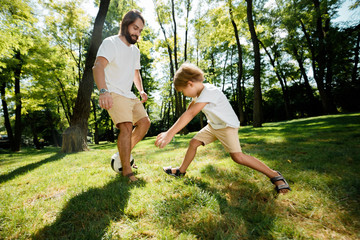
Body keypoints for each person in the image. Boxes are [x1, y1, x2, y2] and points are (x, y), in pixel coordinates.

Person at [155, 63, 291, 194]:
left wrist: (170, 133)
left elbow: (190, 114)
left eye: (183, 91)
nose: (184, 94)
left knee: (238, 157)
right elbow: (190, 109)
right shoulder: (199, 93)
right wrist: (174, 126)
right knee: (193, 143)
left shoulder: (209, 91)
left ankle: (275, 175)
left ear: (190, 83)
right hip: (214, 126)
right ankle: (181, 171)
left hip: (227, 127)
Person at [93, 10, 151, 182]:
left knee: (144, 123)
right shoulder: (111, 43)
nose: (137, 33)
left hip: (129, 94)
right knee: (126, 126)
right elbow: (98, 67)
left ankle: (123, 155)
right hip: (113, 92)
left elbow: (135, 73)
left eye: (140, 30)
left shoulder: (135, 51)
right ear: (125, 25)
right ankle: (127, 170)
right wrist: (103, 91)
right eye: (135, 28)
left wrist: (140, 90)